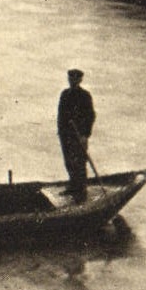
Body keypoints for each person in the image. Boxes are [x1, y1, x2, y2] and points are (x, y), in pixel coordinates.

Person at [57, 69, 95, 201]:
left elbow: (90, 116)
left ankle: (81, 190)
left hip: (79, 135)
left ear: (80, 80)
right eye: (70, 78)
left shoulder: (85, 96)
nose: (72, 81)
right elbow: (60, 116)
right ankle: (73, 186)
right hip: (66, 134)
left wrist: (85, 135)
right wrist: (61, 132)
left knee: (79, 162)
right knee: (68, 161)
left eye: (75, 79)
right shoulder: (64, 94)